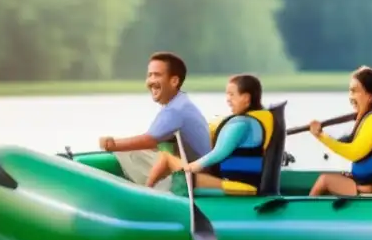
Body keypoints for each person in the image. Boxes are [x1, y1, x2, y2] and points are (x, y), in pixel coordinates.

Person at [98, 51, 211, 193]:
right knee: (134, 146)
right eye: (149, 75)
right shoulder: (181, 102)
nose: (151, 81)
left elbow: (149, 140)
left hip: (192, 176)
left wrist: (113, 145)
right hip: (190, 168)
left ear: (174, 81)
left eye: (157, 75)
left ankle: (148, 192)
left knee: (126, 151)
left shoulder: (175, 109)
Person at [146, 74, 274, 194]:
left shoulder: (242, 124)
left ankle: (146, 192)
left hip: (239, 184)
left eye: (232, 94)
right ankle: (151, 189)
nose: (228, 99)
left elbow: (219, 153)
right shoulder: (250, 121)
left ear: (246, 97)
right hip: (236, 179)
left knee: (168, 160)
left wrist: (193, 166)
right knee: (170, 159)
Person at [307, 66, 372, 196]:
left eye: (355, 91)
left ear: (370, 97)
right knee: (336, 179)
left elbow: (354, 152)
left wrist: (320, 136)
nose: (350, 97)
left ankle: (304, 216)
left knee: (324, 181)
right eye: (350, 91)